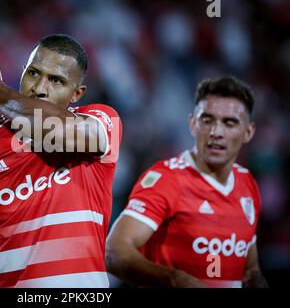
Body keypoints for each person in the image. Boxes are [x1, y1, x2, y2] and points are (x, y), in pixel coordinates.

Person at [0, 34, 122, 288]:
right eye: (34, 73)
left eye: (56, 80)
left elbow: (57, 130)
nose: (40, 87)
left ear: (76, 94)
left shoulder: (101, 122)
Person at [106, 76, 269, 288]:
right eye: (207, 120)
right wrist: (175, 279)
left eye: (229, 123)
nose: (216, 132)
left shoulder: (247, 184)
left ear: (248, 132)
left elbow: (250, 270)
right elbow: (114, 252)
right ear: (193, 124)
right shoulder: (167, 179)